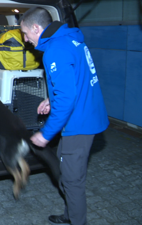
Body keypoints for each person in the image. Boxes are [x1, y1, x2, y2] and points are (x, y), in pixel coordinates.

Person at [19, 7, 109, 225]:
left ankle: (77, 220)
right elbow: (77, 78)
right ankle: (70, 214)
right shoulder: (71, 40)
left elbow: (68, 99)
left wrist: (46, 134)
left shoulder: (55, 50)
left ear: (36, 27)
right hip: (87, 115)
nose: (25, 39)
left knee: (71, 181)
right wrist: (52, 99)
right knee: (66, 171)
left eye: (24, 33)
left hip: (79, 123)